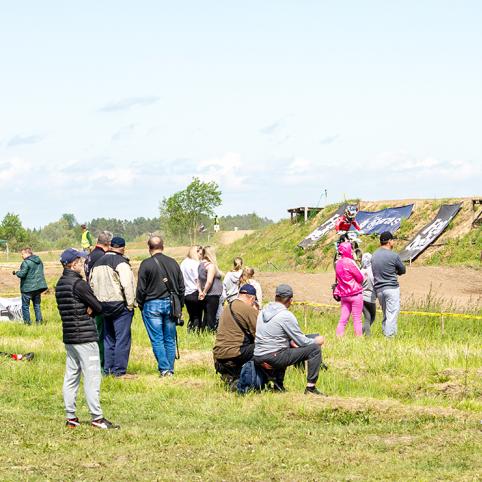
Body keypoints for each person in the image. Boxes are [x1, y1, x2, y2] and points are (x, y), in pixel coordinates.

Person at [55, 248, 119, 429]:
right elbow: (98, 307)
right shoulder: (79, 284)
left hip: (70, 337)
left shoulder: (60, 284)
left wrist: (89, 306)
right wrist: (90, 308)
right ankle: (97, 418)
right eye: (80, 261)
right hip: (85, 337)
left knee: (71, 377)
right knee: (92, 377)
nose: (83, 264)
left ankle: (71, 417)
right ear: (73, 264)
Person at [253, 284, 326, 395]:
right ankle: (311, 388)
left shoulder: (263, 311)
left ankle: (278, 385)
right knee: (314, 349)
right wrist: (316, 341)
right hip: (273, 357)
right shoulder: (286, 315)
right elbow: (302, 342)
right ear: (290, 300)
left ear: (276, 297)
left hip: (258, 355)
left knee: (284, 346)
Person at [136, 236, 185, 377]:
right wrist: (179, 306)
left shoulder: (145, 264)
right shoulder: (173, 263)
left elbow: (141, 288)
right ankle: (170, 369)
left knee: (157, 339)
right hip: (171, 304)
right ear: (163, 246)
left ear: (149, 248)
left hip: (151, 304)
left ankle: (164, 369)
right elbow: (181, 287)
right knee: (170, 338)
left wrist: (140, 304)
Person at [90, 237, 135, 377]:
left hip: (102, 306)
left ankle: (107, 370)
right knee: (122, 338)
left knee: (108, 338)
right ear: (123, 248)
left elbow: (91, 284)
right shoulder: (121, 262)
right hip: (119, 305)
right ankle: (119, 371)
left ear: (110, 246)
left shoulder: (97, 263)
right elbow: (127, 285)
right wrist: (130, 305)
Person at [213, 284, 258, 383]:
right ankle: (252, 378)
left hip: (218, 356)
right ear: (252, 298)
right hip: (235, 354)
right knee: (265, 346)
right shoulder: (248, 309)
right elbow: (260, 335)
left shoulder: (227, 308)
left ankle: (231, 375)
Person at [84, 230, 113, 370]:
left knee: (97, 333)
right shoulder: (102, 257)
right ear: (108, 243)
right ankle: (101, 365)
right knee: (102, 335)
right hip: (99, 300)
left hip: (90, 298)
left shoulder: (90, 256)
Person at [371, 232, 406, 337]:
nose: (393, 242)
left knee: (386, 314)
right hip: (391, 288)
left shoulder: (374, 255)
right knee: (392, 314)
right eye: (393, 240)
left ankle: (387, 334)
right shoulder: (393, 255)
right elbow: (403, 270)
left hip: (379, 289)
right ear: (389, 241)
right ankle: (389, 337)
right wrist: (395, 271)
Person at [334, 242, 364, 337]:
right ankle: (358, 339)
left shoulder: (337, 263)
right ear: (348, 250)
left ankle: (338, 337)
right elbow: (360, 278)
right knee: (357, 319)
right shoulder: (350, 262)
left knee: (343, 319)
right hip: (355, 293)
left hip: (344, 295)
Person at [13, 248, 48, 325]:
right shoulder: (39, 261)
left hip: (27, 289)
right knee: (37, 305)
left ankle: (27, 323)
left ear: (27, 253)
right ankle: (39, 322)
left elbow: (22, 274)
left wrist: (16, 272)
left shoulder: (26, 262)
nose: (21, 255)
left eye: (22, 254)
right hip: (38, 288)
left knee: (25, 306)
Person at [198, 246, 223, 332]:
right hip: (212, 294)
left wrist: (200, 291)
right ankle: (210, 332)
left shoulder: (201, 265)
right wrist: (204, 292)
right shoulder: (210, 266)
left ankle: (204, 332)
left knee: (206, 316)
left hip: (206, 294)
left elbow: (198, 280)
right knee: (211, 317)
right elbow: (209, 281)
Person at [180, 246, 202, 332]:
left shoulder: (183, 263)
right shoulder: (195, 263)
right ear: (196, 253)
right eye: (200, 254)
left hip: (186, 293)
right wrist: (201, 291)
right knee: (197, 316)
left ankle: (189, 331)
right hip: (194, 291)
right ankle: (196, 333)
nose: (201, 256)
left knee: (191, 316)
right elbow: (197, 279)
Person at [360, 253, 376, 336]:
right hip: (370, 297)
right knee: (371, 317)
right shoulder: (373, 271)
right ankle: (366, 335)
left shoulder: (360, 271)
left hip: (361, 297)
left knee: (367, 317)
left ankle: (361, 333)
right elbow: (375, 283)